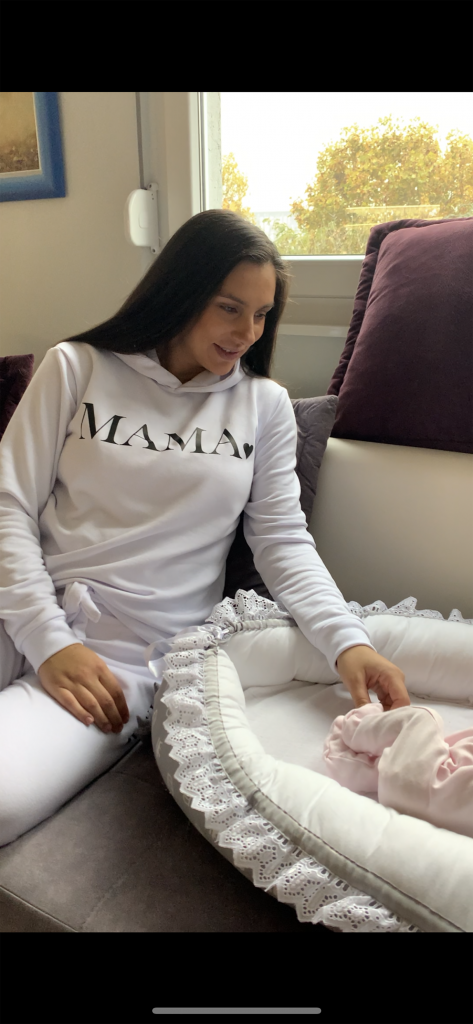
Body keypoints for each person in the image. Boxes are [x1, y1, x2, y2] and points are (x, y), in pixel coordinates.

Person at [0, 209, 409, 846]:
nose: (247, 332)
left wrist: (347, 641)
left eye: (262, 314)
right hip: (20, 608)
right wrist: (47, 640)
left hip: (127, 657)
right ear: (179, 293)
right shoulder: (76, 366)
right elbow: (10, 505)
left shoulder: (264, 406)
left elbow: (282, 541)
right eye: (229, 308)